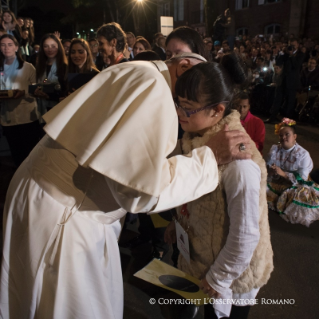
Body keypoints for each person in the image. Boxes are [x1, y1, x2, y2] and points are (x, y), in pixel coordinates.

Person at [0, 52, 252, 319]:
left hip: (50, 196)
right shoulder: (153, 87)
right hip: (66, 214)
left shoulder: (142, 71)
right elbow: (141, 190)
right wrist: (208, 159)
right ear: (184, 66)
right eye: (187, 99)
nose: (181, 111)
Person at [164, 54, 273, 319]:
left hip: (231, 278)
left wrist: (218, 278)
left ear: (217, 110)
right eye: (177, 104)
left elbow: (245, 236)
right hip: (203, 259)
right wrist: (176, 223)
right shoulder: (195, 136)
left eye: (187, 108)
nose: (179, 113)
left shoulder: (239, 161)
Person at [266, 118, 317, 226]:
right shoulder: (275, 149)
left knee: (301, 197)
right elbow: (266, 168)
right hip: (277, 179)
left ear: (294, 136)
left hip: (297, 183)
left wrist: (284, 174)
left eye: (287, 134)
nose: (283, 137)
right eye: (281, 135)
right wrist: (271, 172)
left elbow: (302, 178)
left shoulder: (303, 154)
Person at [0, 34, 40, 167]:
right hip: (8, 117)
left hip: (27, 116)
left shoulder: (28, 67)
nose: (6, 48)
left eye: (10, 45)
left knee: (32, 154)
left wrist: (24, 92)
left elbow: (37, 89)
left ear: (16, 47)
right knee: (17, 155)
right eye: (3, 45)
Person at [34, 33, 67, 118]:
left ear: (59, 47)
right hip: (42, 110)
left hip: (59, 111)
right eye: (46, 46)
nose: (50, 49)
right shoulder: (40, 67)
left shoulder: (65, 67)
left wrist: (49, 96)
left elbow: (66, 92)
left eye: (53, 46)